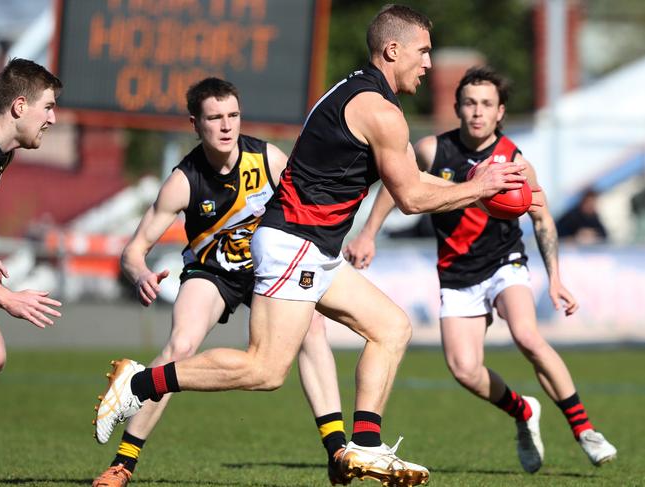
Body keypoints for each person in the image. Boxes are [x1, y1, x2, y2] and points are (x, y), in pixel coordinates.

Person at [94, 7, 527, 486]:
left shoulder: (363, 94)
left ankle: (364, 447)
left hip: (314, 249)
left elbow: (416, 179)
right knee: (265, 369)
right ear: (393, 50)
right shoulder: (379, 111)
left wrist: (478, 181)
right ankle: (137, 383)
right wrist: (482, 189)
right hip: (295, 244)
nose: (428, 63)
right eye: (423, 51)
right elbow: (411, 198)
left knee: (391, 328)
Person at [344, 66, 617, 473]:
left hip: (506, 264)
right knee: (464, 369)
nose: (477, 112)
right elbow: (394, 186)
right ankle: (523, 411)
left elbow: (542, 220)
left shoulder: (515, 163)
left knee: (526, 334)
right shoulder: (432, 151)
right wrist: (367, 233)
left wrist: (556, 279)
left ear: (500, 111)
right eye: (470, 103)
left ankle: (584, 430)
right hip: (456, 273)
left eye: (486, 104)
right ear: (457, 108)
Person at [92, 77, 345, 486]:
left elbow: (307, 214)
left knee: (312, 328)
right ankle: (123, 463)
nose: (226, 126)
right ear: (196, 123)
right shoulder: (183, 180)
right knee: (181, 346)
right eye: (214, 118)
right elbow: (132, 250)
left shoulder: (268, 159)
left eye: (233, 115)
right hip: (213, 273)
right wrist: (140, 274)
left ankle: (337, 451)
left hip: (266, 269)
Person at [0, 58, 63, 374]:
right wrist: (7, 298)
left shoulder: (3, 154)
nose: (53, 117)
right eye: (48, 106)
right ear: (20, 106)